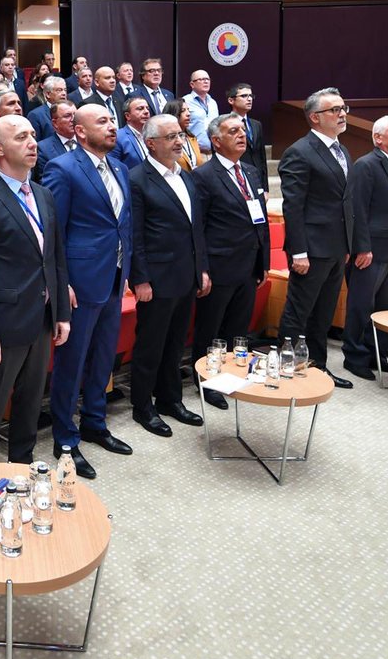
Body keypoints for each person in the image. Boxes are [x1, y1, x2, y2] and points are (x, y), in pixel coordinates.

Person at [0, 115, 70, 465]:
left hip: (41, 318)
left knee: (30, 402)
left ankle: (23, 468)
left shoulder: (43, 194)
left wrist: (61, 313)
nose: (32, 142)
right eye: (21, 137)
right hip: (5, 324)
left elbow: (54, 257)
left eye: (33, 135)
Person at [43, 105, 134, 480]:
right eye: (103, 121)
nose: (112, 126)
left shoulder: (120, 168)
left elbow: (123, 224)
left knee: (102, 358)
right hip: (79, 283)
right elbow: (54, 231)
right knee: (72, 362)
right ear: (80, 131)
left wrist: (127, 270)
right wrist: (61, 282)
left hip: (113, 277)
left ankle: (95, 422)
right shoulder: (63, 169)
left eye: (113, 120)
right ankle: (65, 438)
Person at [127, 113, 210, 437]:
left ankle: (170, 399)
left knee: (175, 344)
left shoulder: (186, 176)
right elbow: (135, 235)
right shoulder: (137, 179)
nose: (179, 141)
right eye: (170, 136)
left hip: (186, 275)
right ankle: (142, 406)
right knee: (150, 346)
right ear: (150, 143)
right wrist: (140, 279)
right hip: (157, 279)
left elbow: (196, 229)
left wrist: (202, 269)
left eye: (180, 135)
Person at [277, 87, 355, 388]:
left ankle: (318, 367)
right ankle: (288, 369)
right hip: (310, 249)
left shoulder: (342, 150)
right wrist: (298, 252)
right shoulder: (299, 151)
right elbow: (293, 207)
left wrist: (348, 243)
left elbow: (344, 202)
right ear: (315, 117)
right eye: (334, 110)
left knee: (324, 313)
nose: (342, 114)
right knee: (299, 312)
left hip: (336, 247)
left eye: (343, 108)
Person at [190, 113, 269, 410]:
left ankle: (233, 375)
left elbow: (260, 219)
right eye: (233, 131)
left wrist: (263, 261)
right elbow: (198, 228)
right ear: (216, 140)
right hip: (219, 266)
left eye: (242, 130)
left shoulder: (250, 171)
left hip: (248, 265)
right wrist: (202, 268)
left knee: (238, 329)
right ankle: (207, 381)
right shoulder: (203, 176)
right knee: (210, 330)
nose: (241, 135)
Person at [341, 116, 388, 382]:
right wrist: (362, 247)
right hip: (371, 250)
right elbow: (356, 209)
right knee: (361, 305)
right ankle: (355, 357)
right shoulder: (366, 165)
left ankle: (378, 355)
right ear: (378, 138)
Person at [227, 84, 267, 187]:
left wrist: (265, 187)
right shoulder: (224, 124)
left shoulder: (256, 124)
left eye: (251, 96)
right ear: (231, 100)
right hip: (237, 177)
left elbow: (262, 157)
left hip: (256, 178)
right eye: (244, 96)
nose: (249, 99)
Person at [34, 99, 77, 184]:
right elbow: (46, 182)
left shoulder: (88, 141)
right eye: (67, 116)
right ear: (55, 123)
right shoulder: (43, 149)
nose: (73, 119)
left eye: (75, 115)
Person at [184, 69, 220, 153]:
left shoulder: (213, 102)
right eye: (201, 79)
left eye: (207, 79)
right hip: (194, 152)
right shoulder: (185, 101)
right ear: (192, 84)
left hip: (213, 152)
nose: (206, 82)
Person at [112, 94, 151, 170]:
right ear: (128, 116)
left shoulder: (154, 135)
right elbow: (115, 168)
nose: (146, 112)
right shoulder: (118, 138)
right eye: (140, 109)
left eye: (147, 108)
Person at [26, 75, 67, 141]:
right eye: (59, 90)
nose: (64, 93)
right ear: (48, 94)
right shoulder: (36, 115)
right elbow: (35, 142)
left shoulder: (71, 111)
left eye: (65, 90)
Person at [167, 100, 203, 171]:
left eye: (188, 110)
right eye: (183, 111)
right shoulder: (167, 141)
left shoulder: (192, 138)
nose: (188, 114)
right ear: (173, 114)